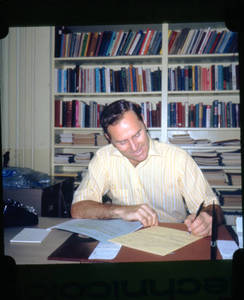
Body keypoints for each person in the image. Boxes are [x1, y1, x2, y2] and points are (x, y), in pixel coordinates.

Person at [71, 99, 224, 237]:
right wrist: (120, 211)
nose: (134, 147)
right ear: (108, 138)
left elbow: (212, 206)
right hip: (123, 237)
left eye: (137, 134)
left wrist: (207, 217)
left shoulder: (178, 158)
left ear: (144, 122)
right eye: (122, 142)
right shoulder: (103, 158)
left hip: (171, 237)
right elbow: (78, 209)